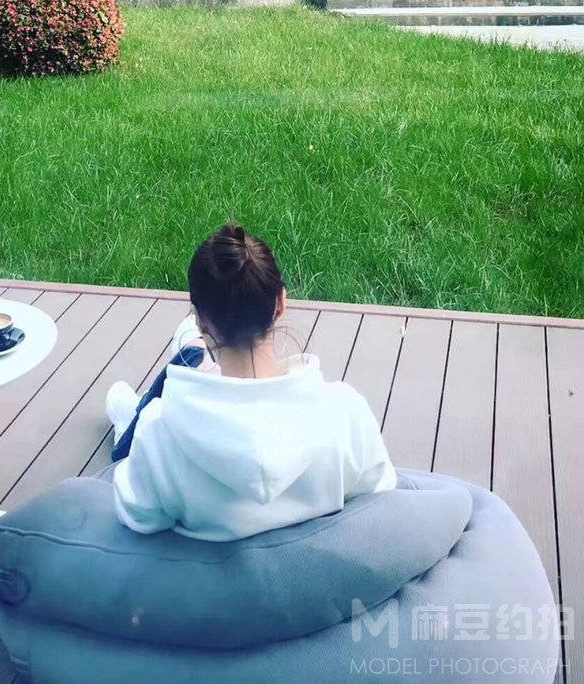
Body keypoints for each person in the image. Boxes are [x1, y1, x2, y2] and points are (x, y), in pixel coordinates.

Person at [105, 223, 397, 542]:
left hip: (208, 567)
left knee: (185, 354)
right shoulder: (346, 413)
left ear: (199, 319)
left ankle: (152, 394)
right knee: (189, 353)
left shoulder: (161, 435)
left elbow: (138, 514)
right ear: (280, 303)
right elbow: (379, 495)